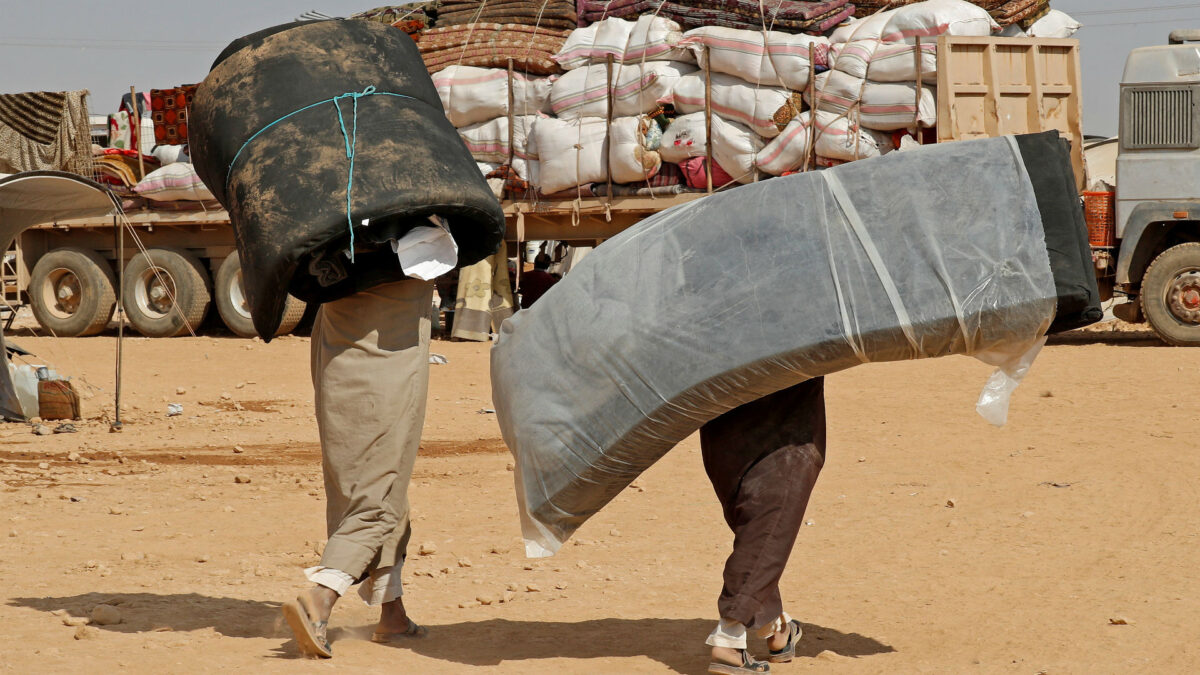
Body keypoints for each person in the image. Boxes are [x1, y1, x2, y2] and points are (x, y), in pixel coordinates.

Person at [282, 277, 435, 658]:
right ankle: (322, 596)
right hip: (389, 352)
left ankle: (392, 615)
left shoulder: (335, 241)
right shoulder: (411, 234)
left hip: (337, 346)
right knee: (380, 491)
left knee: (361, 483)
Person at [699, 378, 826, 674]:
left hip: (719, 382)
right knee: (774, 511)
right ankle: (729, 636)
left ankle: (775, 626)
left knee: (753, 513)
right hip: (786, 388)